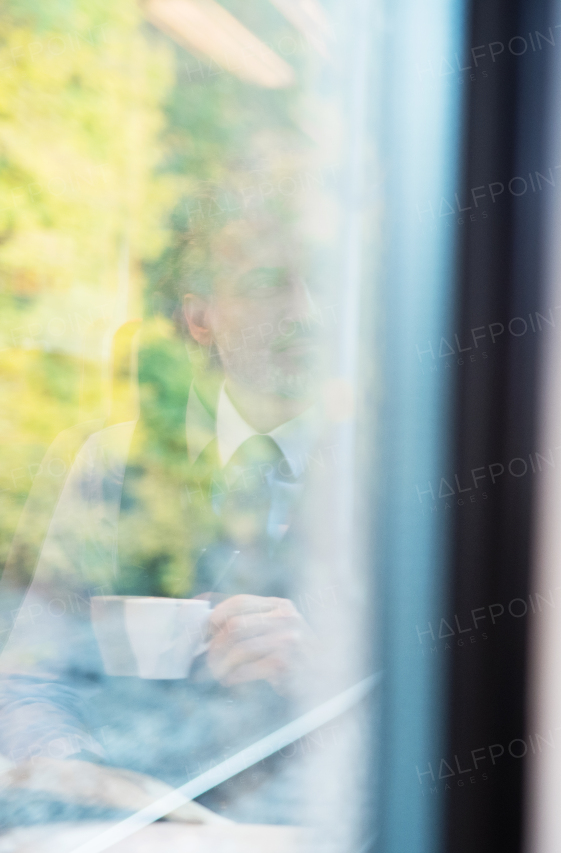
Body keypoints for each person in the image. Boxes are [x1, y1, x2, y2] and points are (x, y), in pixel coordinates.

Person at [0, 186, 338, 822]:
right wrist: (92, 788)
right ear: (199, 318)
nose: (309, 313)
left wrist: (318, 677)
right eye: (272, 283)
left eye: (321, 282)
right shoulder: (108, 470)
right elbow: (31, 680)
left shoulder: (399, 489)